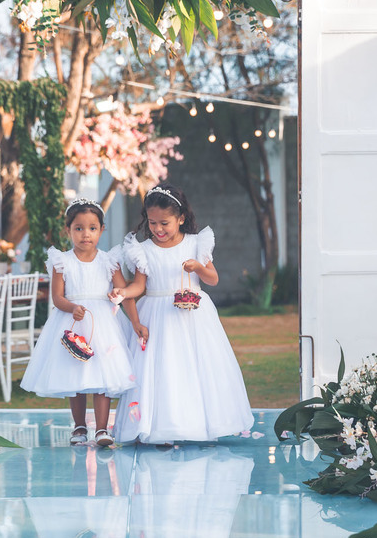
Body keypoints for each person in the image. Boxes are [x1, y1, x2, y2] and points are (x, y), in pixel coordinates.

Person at [110, 185, 253, 444]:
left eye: (164, 223)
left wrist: (198, 265)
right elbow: (139, 286)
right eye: (152, 223)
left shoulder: (195, 243)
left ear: (181, 218)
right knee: (164, 369)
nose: (158, 229)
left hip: (193, 315)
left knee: (194, 367)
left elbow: (213, 278)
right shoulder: (143, 249)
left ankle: (198, 424)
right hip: (157, 314)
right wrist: (123, 291)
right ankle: (163, 427)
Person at [19, 199, 135, 447]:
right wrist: (72, 307)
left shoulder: (109, 261)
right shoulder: (62, 262)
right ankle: (79, 426)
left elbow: (122, 289)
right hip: (72, 320)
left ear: (102, 230)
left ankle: (103, 429)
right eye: (79, 228)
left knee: (103, 376)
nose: (86, 234)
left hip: (102, 324)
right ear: (68, 230)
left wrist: (118, 295)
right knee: (77, 377)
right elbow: (57, 297)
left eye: (92, 228)